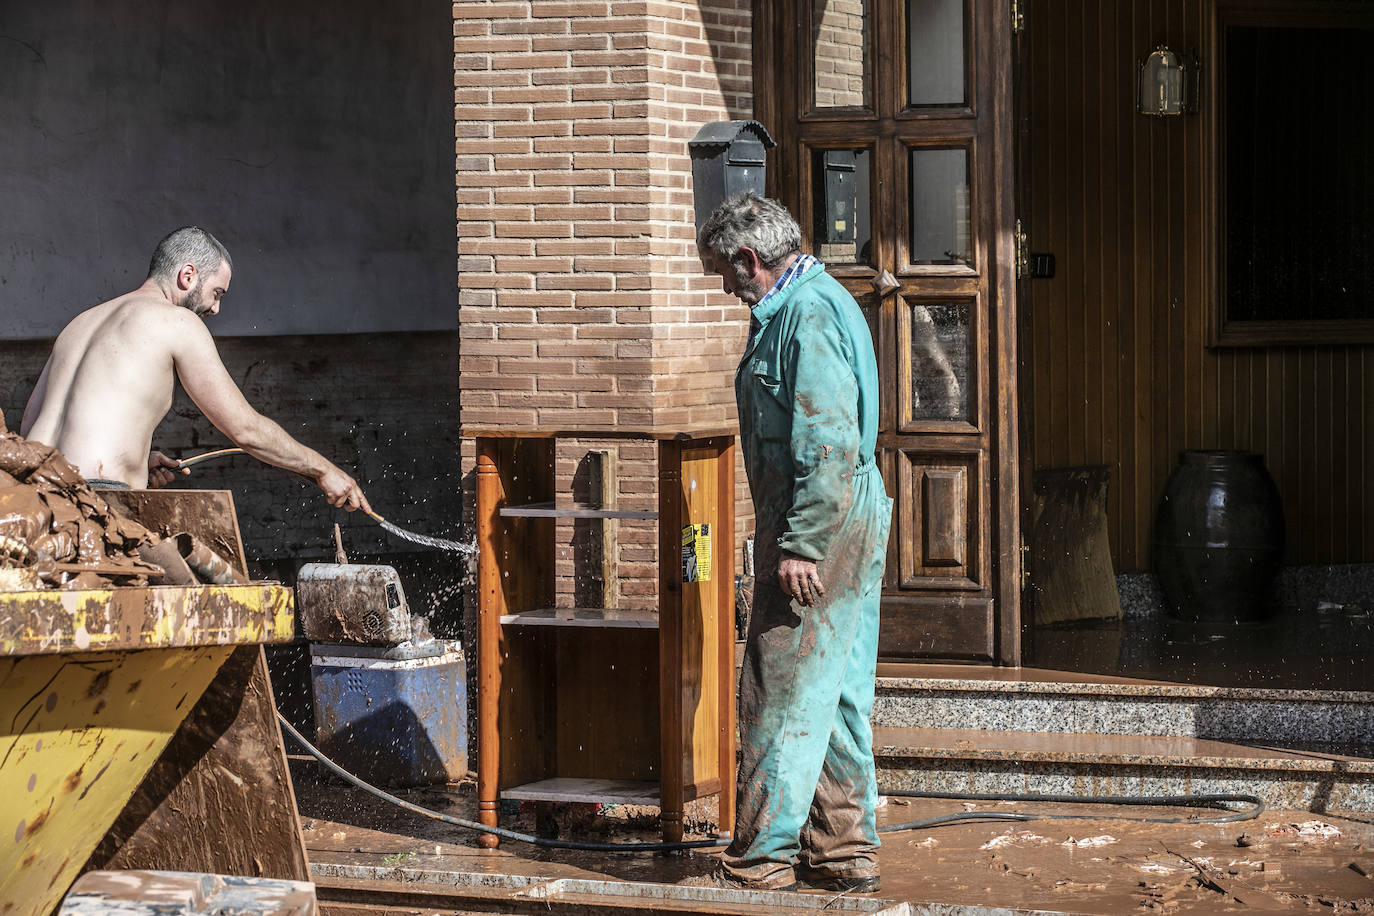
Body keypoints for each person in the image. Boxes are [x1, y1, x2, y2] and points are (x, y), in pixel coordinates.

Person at [696, 193, 892, 892]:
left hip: (824, 520)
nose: (725, 285)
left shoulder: (806, 315)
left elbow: (828, 442)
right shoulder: (809, 302)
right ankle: (841, 851)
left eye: (724, 271)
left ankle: (760, 863)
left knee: (776, 688)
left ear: (750, 259)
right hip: (845, 512)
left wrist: (802, 544)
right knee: (833, 688)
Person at [21, 226, 371, 513]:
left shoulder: (79, 323)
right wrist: (323, 468)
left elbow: (28, 430)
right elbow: (246, 430)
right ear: (187, 275)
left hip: (28, 501)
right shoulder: (179, 322)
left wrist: (137, 459)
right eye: (217, 292)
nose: (216, 308)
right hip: (95, 502)